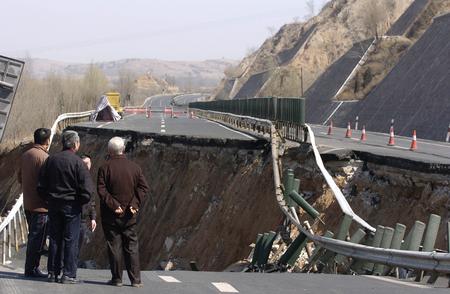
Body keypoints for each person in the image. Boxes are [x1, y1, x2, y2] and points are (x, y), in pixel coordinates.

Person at [38, 130, 94, 284]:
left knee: (55, 237)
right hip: (72, 206)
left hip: (54, 205)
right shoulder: (78, 163)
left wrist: (49, 199)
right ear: (76, 144)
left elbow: (41, 186)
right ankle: (68, 274)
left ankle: (52, 272)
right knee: (71, 239)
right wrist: (79, 202)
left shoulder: (51, 160)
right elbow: (87, 190)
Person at [97, 137, 149, 288]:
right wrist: (134, 204)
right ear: (123, 149)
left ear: (109, 151)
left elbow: (101, 190)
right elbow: (143, 188)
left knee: (114, 247)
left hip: (110, 215)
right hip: (129, 215)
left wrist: (114, 205)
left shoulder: (104, 168)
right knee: (131, 247)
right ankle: (136, 280)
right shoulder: (135, 168)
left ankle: (117, 279)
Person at [18, 128, 51, 278]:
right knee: (37, 239)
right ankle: (31, 268)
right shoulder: (44, 157)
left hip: (28, 203)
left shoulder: (26, 155)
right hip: (41, 206)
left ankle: (31, 267)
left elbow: (20, 177)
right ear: (47, 141)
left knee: (33, 235)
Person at [79, 154, 96, 258]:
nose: (86, 166)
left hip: (83, 218)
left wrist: (93, 218)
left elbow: (92, 202)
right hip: (76, 216)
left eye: (87, 163)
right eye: (84, 164)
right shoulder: (77, 178)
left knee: (77, 245)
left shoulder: (89, 179)